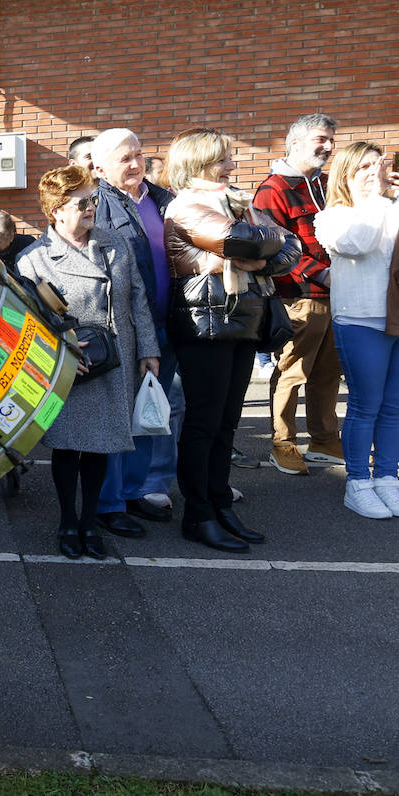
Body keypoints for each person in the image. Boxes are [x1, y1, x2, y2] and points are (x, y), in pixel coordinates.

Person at [165, 128, 300, 552]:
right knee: (204, 424)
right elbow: (241, 239)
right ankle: (198, 514)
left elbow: (290, 248)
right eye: (222, 159)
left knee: (226, 423)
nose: (231, 166)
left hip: (241, 321)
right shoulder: (186, 205)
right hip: (205, 325)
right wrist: (257, 250)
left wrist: (255, 255)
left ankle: (220, 504)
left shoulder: (234, 204)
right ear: (197, 163)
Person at [18, 165, 159, 559]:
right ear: (56, 209)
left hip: (116, 357)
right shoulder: (34, 260)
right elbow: (28, 324)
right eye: (82, 202)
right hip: (70, 365)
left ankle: (89, 522)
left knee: (101, 447)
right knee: (67, 446)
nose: (91, 207)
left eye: (93, 199)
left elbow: (136, 300)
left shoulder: (114, 243)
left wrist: (149, 350)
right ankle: (66, 520)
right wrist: (61, 353)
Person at [89, 127, 180, 535]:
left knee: (150, 411)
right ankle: (110, 501)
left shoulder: (163, 201)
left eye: (139, 155)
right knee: (118, 418)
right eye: (124, 158)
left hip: (167, 324)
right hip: (124, 329)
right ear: (100, 166)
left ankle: (136, 490)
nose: (134, 163)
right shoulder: (99, 205)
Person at [252, 113, 343, 476]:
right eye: (322, 139)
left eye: (331, 140)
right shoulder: (272, 189)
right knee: (293, 371)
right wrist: (322, 273)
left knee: (329, 372)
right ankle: (283, 441)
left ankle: (323, 439)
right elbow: (276, 247)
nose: (329, 147)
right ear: (295, 142)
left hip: (336, 294)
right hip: (298, 296)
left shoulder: (328, 184)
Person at [314, 142, 399, 518]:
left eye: (376, 165)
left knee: (394, 408)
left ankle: (387, 478)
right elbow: (360, 244)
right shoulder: (333, 217)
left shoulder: (388, 206)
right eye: (362, 167)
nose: (370, 173)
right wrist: (380, 198)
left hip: (395, 319)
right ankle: (357, 483)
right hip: (359, 319)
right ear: (344, 175)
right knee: (366, 405)